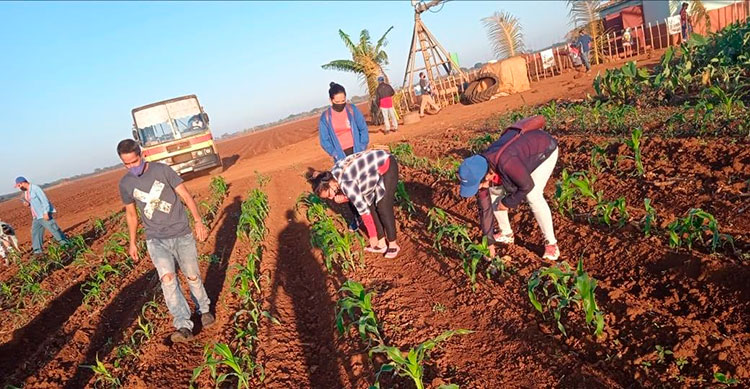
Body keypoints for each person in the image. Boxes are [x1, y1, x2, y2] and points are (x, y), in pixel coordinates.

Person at [116, 139, 214, 343]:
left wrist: (197, 221)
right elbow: (131, 215)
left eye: (134, 161)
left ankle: (203, 309)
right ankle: (182, 324)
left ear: (141, 155)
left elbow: (186, 196)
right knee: (168, 281)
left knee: (192, 276)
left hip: (181, 234)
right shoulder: (125, 184)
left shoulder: (162, 170)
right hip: (155, 239)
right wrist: (132, 242)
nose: (132, 167)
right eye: (127, 164)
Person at [457, 115, 560, 261]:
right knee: (493, 193)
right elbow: (484, 208)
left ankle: (551, 244)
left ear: (486, 176)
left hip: (543, 150)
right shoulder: (482, 167)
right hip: (520, 158)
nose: (479, 188)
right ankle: (506, 233)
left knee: (533, 195)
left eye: (477, 184)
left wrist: (508, 202)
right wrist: (488, 242)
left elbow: (526, 185)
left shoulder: (506, 163)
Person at [311, 149, 401, 259]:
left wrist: (372, 235)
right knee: (370, 205)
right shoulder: (333, 174)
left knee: (383, 206)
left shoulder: (345, 183)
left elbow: (362, 210)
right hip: (369, 175)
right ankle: (381, 243)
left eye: (330, 194)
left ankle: (393, 244)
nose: (331, 197)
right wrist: (346, 197)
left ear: (330, 183)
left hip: (385, 164)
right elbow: (358, 193)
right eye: (327, 197)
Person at [318, 82, 370, 231]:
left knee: (364, 182)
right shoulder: (326, 117)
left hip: (357, 152)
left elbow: (362, 128)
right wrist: (335, 153)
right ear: (331, 100)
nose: (341, 104)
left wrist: (362, 146)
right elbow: (324, 141)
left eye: (343, 100)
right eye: (338, 101)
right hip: (341, 157)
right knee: (348, 188)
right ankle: (357, 217)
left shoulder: (352, 110)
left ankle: (371, 212)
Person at [15, 176, 68, 256]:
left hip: (43, 214)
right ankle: (38, 252)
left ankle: (67, 245)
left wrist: (46, 212)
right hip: (36, 217)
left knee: (54, 230)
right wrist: (28, 204)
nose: (19, 188)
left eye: (19, 186)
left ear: (23, 183)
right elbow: (33, 203)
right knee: (35, 233)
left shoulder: (35, 189)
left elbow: (44, 200)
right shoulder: (26, 192)